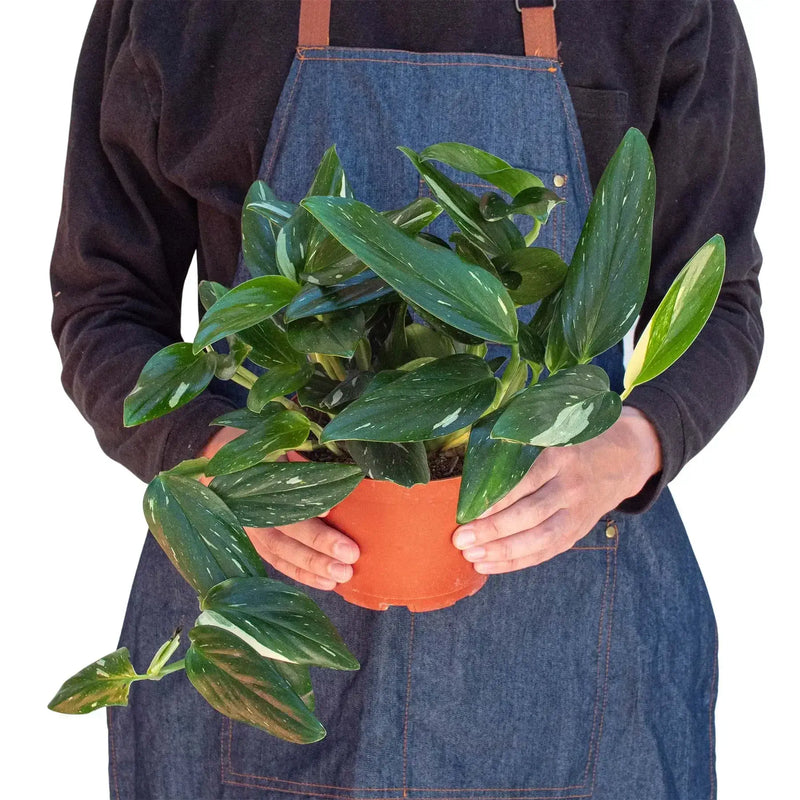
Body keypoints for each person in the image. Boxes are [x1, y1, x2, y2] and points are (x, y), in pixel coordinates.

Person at [50, 1, 764, 798]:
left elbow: (720, 301)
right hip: (272, 615)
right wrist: (225, 469)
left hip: (570, 640)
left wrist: (627, 450)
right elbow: (102, 304)